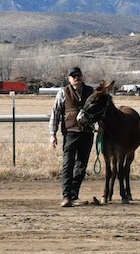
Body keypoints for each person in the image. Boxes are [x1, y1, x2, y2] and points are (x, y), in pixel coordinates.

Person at [49, 67, 95, 207]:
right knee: (68, 165)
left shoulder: (91, 92)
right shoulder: (63, 92)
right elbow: (55, 113)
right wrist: (53, 134)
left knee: (81, 166)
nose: (76, 78)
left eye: (78, 75)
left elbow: (98, 110)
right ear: (69, 79)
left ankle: (74, 195)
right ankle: (66, 196)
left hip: (87, 133)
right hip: (70, 133)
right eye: (73, 76)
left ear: (82, 77)